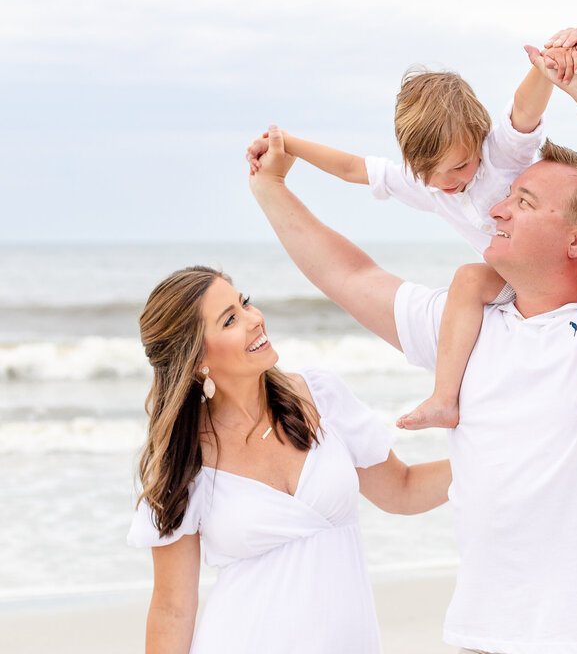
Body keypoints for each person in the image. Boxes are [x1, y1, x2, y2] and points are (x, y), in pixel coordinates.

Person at [249, 27, 577, 654]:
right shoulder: (467, 326)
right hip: (482, 640)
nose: (495, 209)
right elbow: (349, 275)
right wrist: (271, 188)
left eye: (523, 199)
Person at [245, 61, 577, 431]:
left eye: (461, 166)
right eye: (432, 172)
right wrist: (288, 144)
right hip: (517, 281)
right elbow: (353, 169)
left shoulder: (500, 156)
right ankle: (445, 397)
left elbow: (524, 108)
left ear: (479, 139)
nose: (448, 182)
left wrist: (544, 69)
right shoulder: (425, 185)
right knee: (467, 278)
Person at [128, 266, 451, 653]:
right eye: (231, 319)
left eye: (244, 302)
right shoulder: (184, 461)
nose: (254, 319)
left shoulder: (319, 395)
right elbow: (172, 609)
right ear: (196, 359)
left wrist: (499, 457)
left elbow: (403, 489)